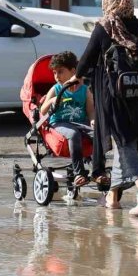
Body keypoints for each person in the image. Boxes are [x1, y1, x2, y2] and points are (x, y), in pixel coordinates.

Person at [67, 0, 138, 215]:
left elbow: (86, 61)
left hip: (113, 95)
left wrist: (74, 79)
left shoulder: (104, 27)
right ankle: (112, 198)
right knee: (125, 141)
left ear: (109, 1)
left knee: (124, 142)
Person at [38, 51, 95, 187]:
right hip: (59, 123)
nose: (57, 76)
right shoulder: (56, 89)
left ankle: (99, 170)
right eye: (55, 73)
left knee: (97, 135)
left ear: (73, 71)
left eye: (60, 72)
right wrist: (51, 100)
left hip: (78, 123)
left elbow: (91, 110)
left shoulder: (84, 90)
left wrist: (93, 120)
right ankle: (79, 173)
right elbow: (43, 110)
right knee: (73, 134)